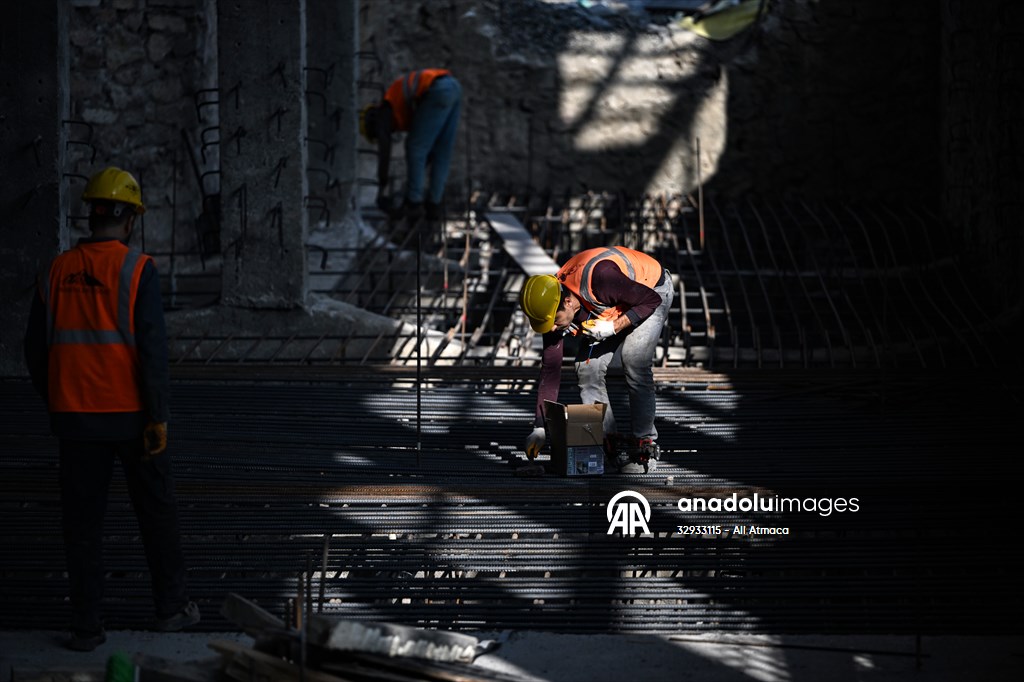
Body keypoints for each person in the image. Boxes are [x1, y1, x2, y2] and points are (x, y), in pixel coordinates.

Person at [23, 166, 200, 652]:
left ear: (92, 214)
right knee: (156, 514)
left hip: (76, 422)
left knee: (82, 526)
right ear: (130, 221)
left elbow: (34, 352)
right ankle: (170, 609)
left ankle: (86, 627)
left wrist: (58, 398)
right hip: (133, 419)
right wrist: (158, 416)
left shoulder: (54, 271)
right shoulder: (137, 270)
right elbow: (152, 353)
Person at [518, 246, 674, 473]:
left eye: (554, 321)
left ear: (568, 303)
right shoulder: (552, 304)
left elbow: (649, 300)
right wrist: (539, 427)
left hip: (652, 290)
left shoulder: (601, 279)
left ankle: (645, 446)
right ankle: (610, 442)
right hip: (615, 302)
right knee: (586, 367)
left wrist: (614, 327)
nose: (551, 328)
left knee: (634, 361)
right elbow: (550, 369)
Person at [359, 68, 462, 223]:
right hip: (453, 87)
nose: (381, 135)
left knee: (415, 148)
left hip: (437, 89)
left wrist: (383, 186)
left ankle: (414, 203)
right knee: (442, 152)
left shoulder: (384, 112)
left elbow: (385, 149)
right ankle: (434, 204)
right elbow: (427, 149)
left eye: (375, 135)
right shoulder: (395, 106)